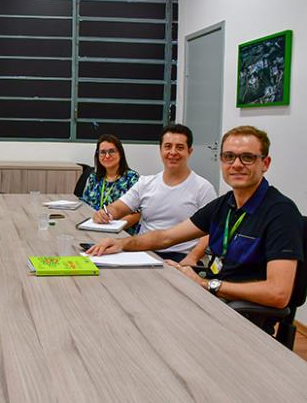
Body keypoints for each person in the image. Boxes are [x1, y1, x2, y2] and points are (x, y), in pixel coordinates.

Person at [88, 125, 303, 313]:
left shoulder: (281, 212)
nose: (236, 164)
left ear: (265, 163)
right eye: (229, 157)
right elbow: (165, 237)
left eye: (247, 157)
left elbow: (278, 293)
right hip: (214, 298)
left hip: (240, 313)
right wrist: (119, 243)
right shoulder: (225, 204)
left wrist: (207, 284)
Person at [92, 124, 217, 262]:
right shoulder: (145, 183)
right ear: (160, 150)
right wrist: (105, 213)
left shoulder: (203, 188)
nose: (173, 152)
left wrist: (192, 258)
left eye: (180, 147)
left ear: (190, 151)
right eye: (168, 146)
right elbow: (118, 208)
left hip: (181, 255)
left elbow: (210, 232)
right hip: (143, 250)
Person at [81, 134, 140, 234]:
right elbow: (85, 205)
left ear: (120, 154)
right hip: (93, 228)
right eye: (103, 152)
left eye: (111, 151)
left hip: (120, 233)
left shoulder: (132, 178)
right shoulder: (93, 178)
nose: (107, 156)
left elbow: (137, 214)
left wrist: (114, 227)